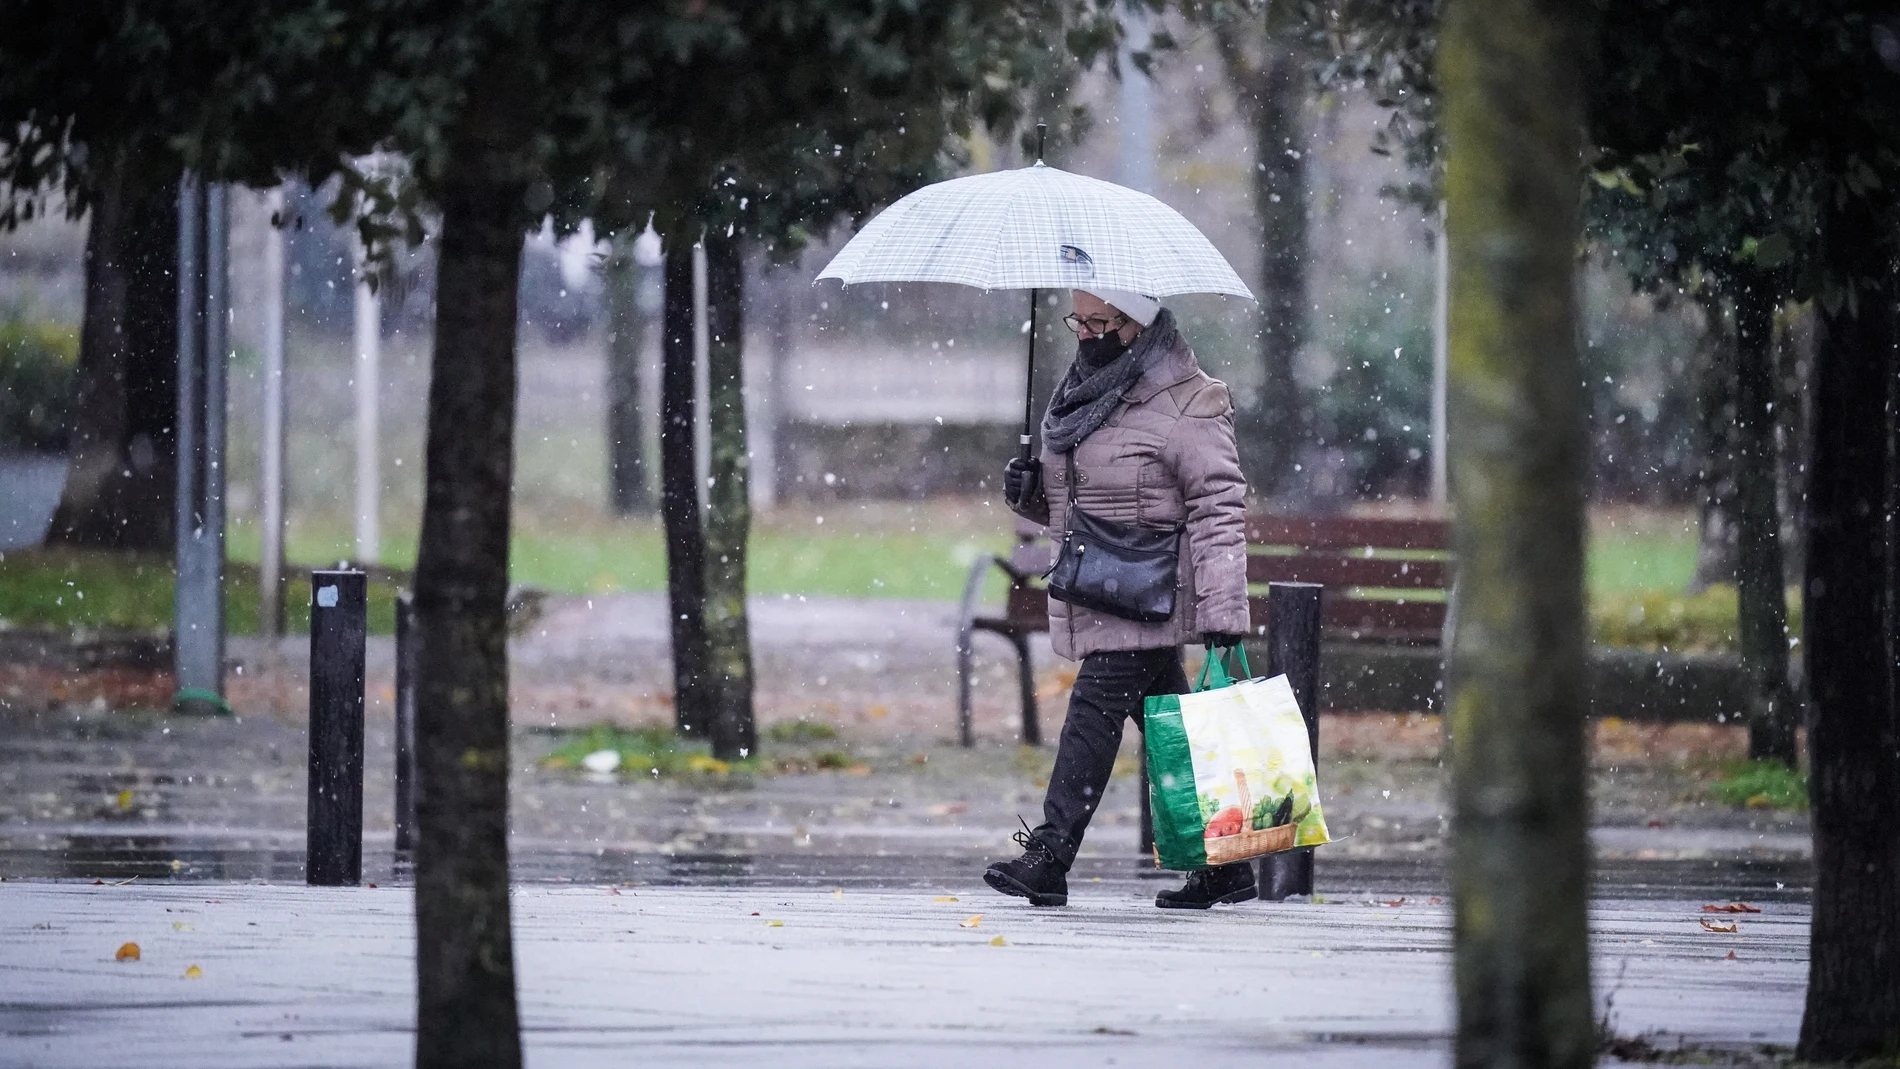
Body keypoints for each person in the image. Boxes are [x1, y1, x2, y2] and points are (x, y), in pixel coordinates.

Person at [985, 287, 1254, 910]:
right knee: (1173, 731)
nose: (1087, 332)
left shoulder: (1192, 401)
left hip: (1153, 589)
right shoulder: (1082, 393)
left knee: (1094, 708)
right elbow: (1071, 500)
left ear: (1140, 324)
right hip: (1100, 582)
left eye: (1102, 321)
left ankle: (1050, 856)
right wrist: (1027, 492)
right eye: (1079, 319)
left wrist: (1222, 613)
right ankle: (1222, 867)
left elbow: (1219, 509)